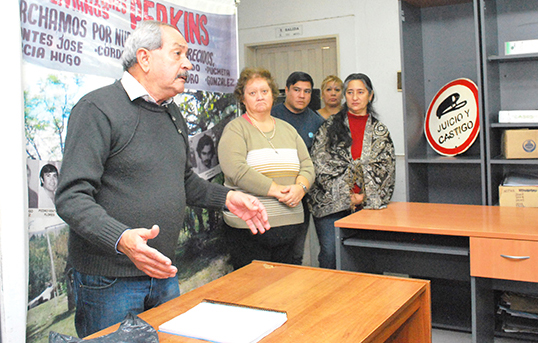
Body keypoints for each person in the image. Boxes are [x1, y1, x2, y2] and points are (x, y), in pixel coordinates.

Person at [54, 20, 270, 338]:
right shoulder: (97, 109)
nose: (188, 63)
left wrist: (227, 198)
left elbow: (182, 181)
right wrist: (121, 238)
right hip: (110, 281)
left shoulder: (172, 113)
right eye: (177, 53)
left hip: (163, 272)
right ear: (144, 59)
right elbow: (70, 197)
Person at [218, 67, 315, 270]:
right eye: (252, 93)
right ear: (243, 99)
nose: (259, 97)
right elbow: (235, 170)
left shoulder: (288, 129)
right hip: (249, 229)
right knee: (253, 293)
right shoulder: (236, 129)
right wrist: (276, 190)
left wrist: (300, 188)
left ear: (273, 95)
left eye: (264, 91)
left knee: (287, 291)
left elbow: (307, 165)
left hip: (290, 227)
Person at [308, 73, 395, 269]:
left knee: (367, 257)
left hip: (368, 206)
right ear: (345, 96)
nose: (355, 97)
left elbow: (386, 170)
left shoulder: (380, 132)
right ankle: (330, 298)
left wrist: (362, 197)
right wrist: (347, 196)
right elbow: (320, 164)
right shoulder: (329, 128)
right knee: (331, 253)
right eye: (350, 92)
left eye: (360, 92)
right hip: (330, 205)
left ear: (370, 96)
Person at [271, 71, 324, 265]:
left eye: (307, 91)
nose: (302, 96)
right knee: (269, 249)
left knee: (295, 251)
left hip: (301, 195)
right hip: (269, 193)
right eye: (297, 90)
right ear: (286, 91)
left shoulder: (317, 122)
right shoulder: (271, 115)